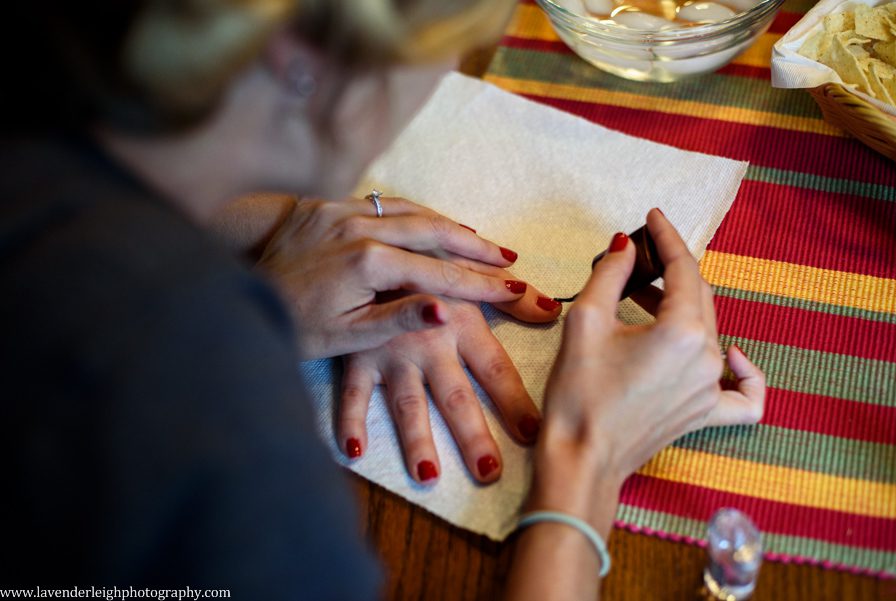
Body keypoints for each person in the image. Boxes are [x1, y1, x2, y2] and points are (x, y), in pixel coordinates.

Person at [0, 1, 765, 600]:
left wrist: (284, 233)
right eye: (449, 52)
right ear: (298, 61)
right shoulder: (218, 419)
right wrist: (586, 460)